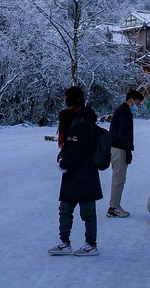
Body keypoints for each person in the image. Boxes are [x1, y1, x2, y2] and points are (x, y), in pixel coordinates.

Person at [47, 85, 102, 257]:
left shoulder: (82, 120)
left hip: (85, 171)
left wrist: (65, 162)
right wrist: (62, 157)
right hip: (74, 172)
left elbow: (78, 146)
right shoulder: (73, 118)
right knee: (65, 207)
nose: (64, 100)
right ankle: (64, 242)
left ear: (73, 99)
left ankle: (90, 244)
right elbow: (70, 144)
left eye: (66, 97)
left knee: (87, 211)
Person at [107, 89, 143, 218]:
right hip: (119, 148)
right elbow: (123, 133)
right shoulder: (124, 112)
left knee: (120, 178)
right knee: (119, 179)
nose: (137, 106)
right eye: (137, 103)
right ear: (131, 100)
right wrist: (128, 150)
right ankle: (113, 208)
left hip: (119, 147)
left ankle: (115, 205)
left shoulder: (124, 111)